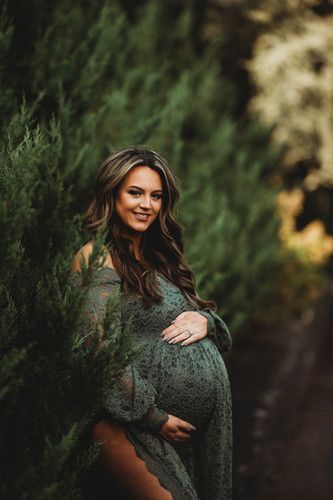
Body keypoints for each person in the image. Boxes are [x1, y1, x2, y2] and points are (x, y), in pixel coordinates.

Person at [70, 146, 232, 500]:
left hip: (175, 430)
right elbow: (97, 351)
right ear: (111, 194)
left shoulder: (162, 259)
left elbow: (195, 319)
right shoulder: (96, 257)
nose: (146, 204)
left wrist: (206, 321)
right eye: (135, 192)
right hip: (121, 424)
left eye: (156, 196)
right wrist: (153, 417)